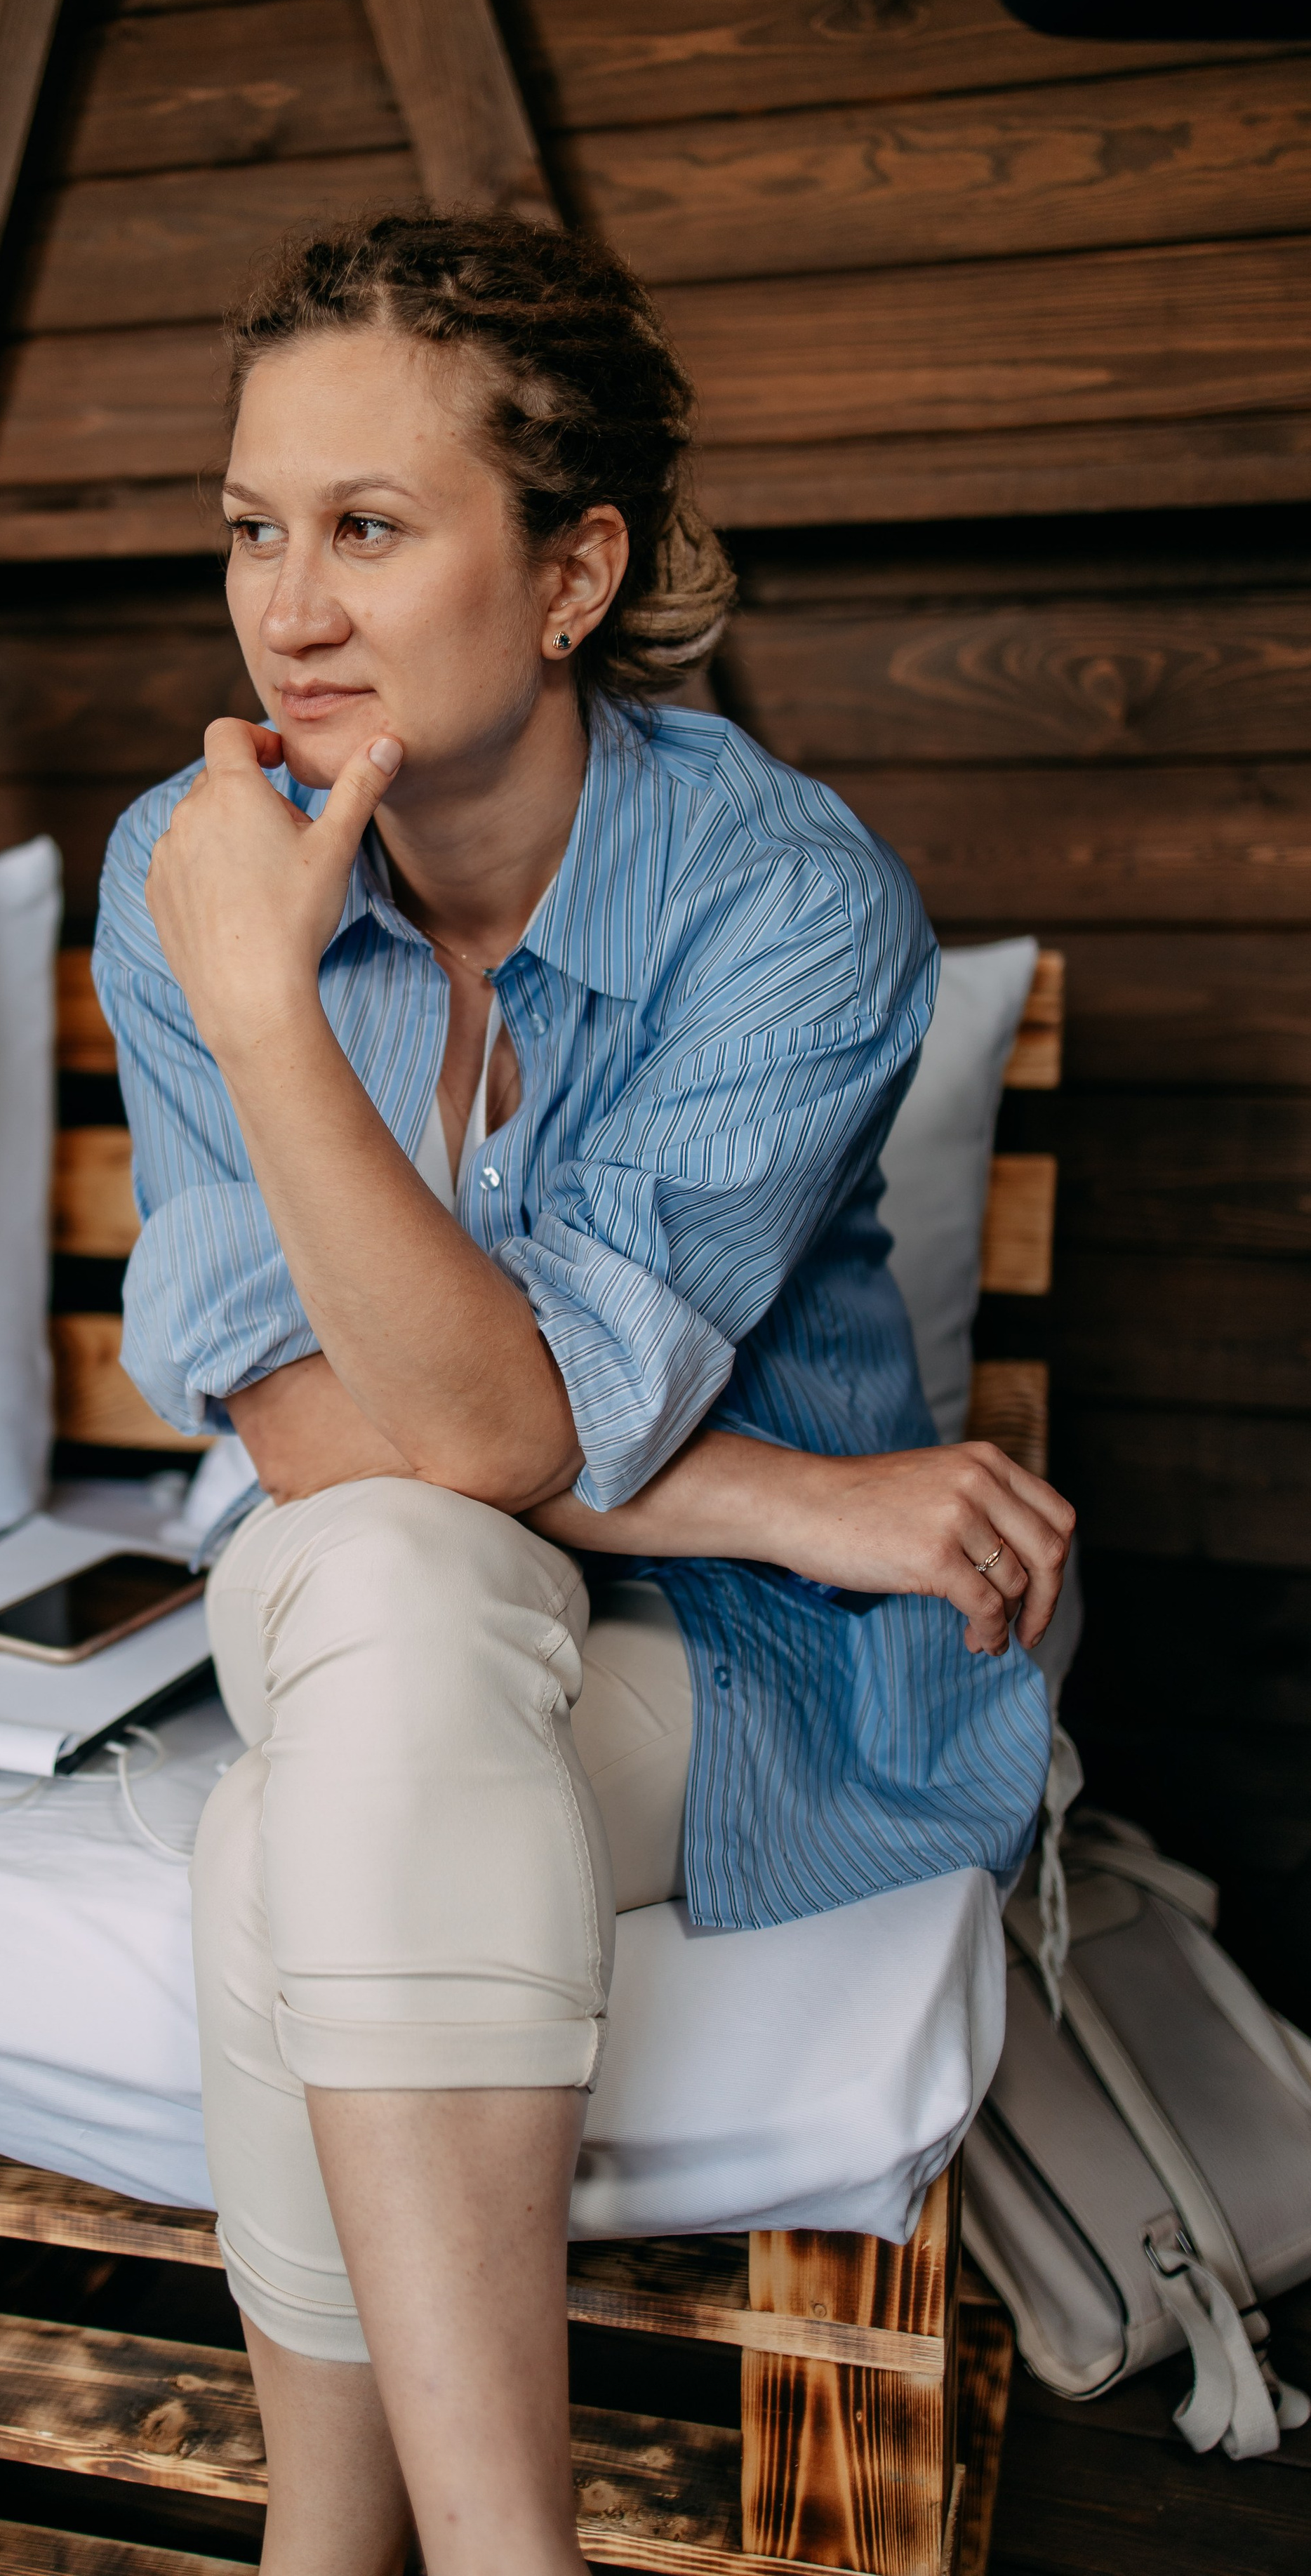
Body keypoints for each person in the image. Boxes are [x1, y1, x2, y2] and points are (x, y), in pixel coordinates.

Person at [95, 213, 1071, 2576]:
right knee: (399, 1561)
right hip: (495, 1595)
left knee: (291, 1818)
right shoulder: (193, 876)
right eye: (251, 527)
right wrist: (776, 1493)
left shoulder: (785, 897)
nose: (286, 607)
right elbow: (315, 1417)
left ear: (571, 572)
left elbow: (488, 1435)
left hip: (741, 1688)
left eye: (368, 526)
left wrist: (705, 1531)